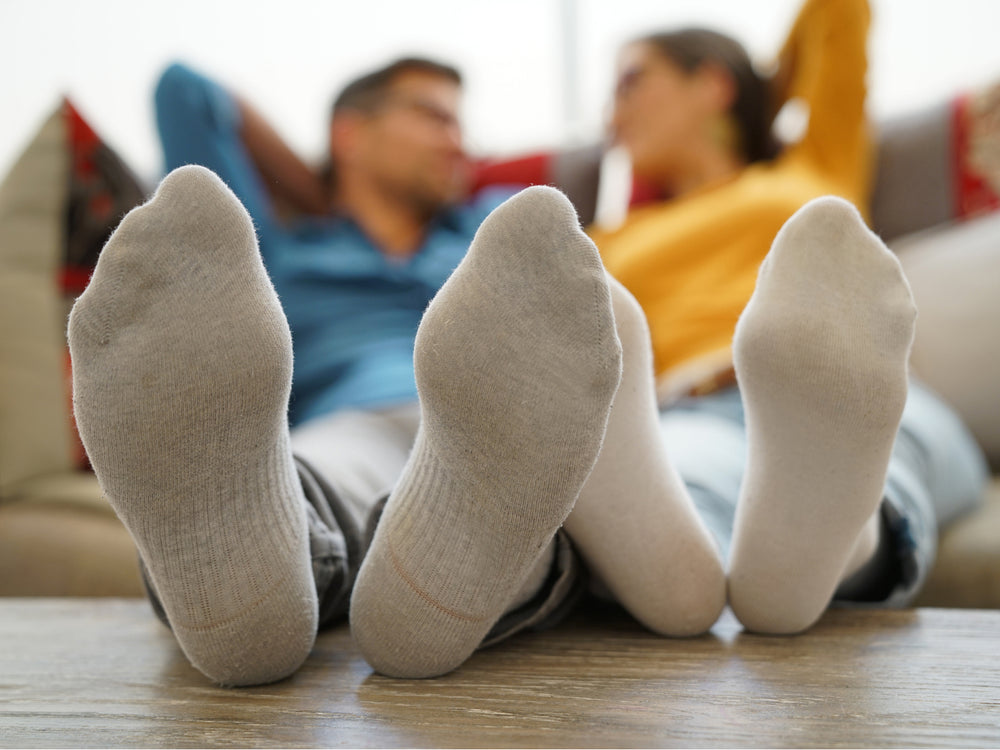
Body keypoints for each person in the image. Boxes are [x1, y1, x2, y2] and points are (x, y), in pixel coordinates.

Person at [67, 0, 987, 689]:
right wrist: (325, 190)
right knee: (392, 454)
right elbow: (186, 92)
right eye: (432, 116)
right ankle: (245, 589)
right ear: (352, 133)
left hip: (681, 397)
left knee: (762, 434)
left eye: (631, 82)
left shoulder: (802, 171)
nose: (458, 142)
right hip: (571, 404)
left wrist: (750, 93)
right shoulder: (594, 241)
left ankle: (803, 546)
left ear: (710, 83)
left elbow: (839, 18)